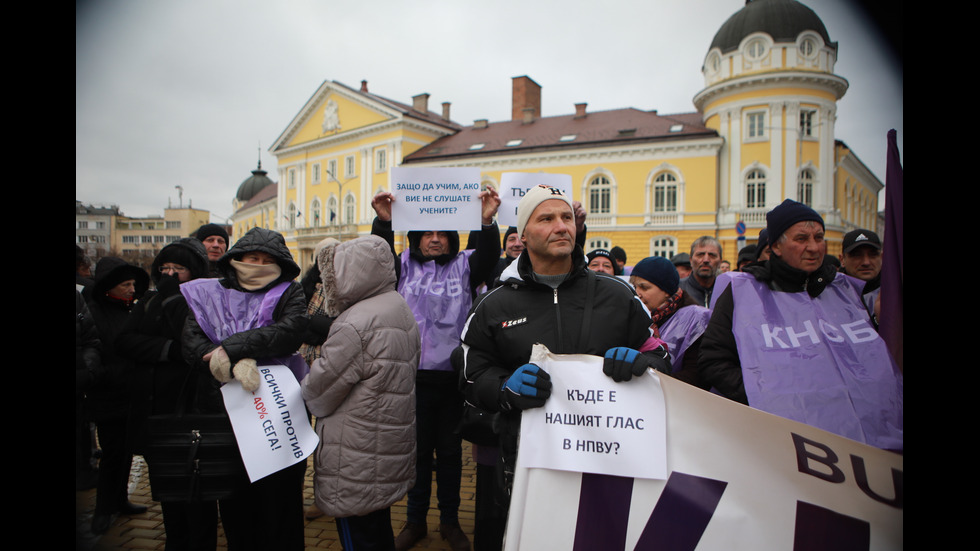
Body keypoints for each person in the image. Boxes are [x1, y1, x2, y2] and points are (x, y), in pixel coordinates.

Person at [459, 185, 666, 523]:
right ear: (523, 235)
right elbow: (471, 373)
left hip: (610, 459)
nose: (561, 226)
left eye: (567, 217)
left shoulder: (618, 295)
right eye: (547, 218)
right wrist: (503, 388)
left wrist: (645, 365)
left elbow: (661, 358)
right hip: (527, 460)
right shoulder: (494, 303)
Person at [699, 199, 903, 451]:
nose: (814, 247)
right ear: (776, 246)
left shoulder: (844, 290)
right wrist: (767, 398)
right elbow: (713, 360)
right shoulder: (743, 293)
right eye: (801, 239)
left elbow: (871, 359)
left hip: (869, 442)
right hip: (784, 442)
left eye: (819, 237)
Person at [370, 186, 501, 551]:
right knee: (416, 454)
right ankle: (414, 522)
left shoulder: (465, 265)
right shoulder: (401, 265)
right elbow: (376, 257)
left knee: (449, 453)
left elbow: (490, 255)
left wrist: (486, 220)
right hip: (410, 378)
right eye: (427, 233)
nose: (435, 240)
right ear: (415, 238)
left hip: (451, 380)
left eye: (442, 234)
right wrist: (383, 222)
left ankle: (449, 521)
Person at [181, 227, 309, 551]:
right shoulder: (206, 293)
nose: (260, 265)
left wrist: (231, 349)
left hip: (277, 413)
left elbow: (290, 331)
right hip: (223, 412)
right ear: (236, 258)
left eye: (268, 260)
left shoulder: (290, 292)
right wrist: (214, 358)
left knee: (280, 501)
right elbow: (191, 341)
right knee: (236, 502)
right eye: (253, 258)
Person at [302, 236, 421, 551]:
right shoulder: (397, 305)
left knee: (360, 536)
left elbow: (318, 394)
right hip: (384, 445)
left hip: (356, 453)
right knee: (377, 527)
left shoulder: (354, 323)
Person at [115, 238, 218, 550]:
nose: (169, 275)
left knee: (197, 493)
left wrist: (174, 301)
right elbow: (126, 340)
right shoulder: (149, 299)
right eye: (165, 268)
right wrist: (169, 350)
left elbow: (198, 345)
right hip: (155, 409)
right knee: (168, 489)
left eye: (179, 269)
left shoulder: (204, 298)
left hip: (191, 410)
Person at [84, 256, 151, 534]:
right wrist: (102, 374)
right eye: (125, 284)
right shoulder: (93, 312)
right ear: (110, 286)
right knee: (112, 454)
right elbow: (93, 349)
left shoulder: (132, 310)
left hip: (133, 394)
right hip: (108, 395)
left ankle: (121, 499)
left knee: (127, 453)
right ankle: (103, 509)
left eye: (134, 284)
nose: (131, 289)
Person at [629, 256, 711, 390]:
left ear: (666, 290)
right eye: (634, 287)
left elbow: (696, 374)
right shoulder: (635, 314)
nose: (638, 294)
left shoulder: (696, 319)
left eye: (644, 287)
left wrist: (650, 383)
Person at [838, 228, 883, 320]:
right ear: (842, 259)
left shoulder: (894, 292)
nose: (866, 262)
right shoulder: (830, 293)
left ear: (882, 257)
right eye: (857, 255)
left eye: (873, 255)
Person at [679, 236, 722, 307]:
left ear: (720, 261)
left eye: (712, 255)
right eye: (700, 255)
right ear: (691, 260)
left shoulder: (727, 292)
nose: (706, 260)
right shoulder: (678, 291)